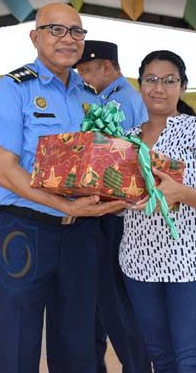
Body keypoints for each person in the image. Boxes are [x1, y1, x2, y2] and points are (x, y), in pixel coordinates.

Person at [0, 2, 127, 373]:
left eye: (76, 31)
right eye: (56, 29)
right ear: (35, 37)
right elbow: (5, 172)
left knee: (79, 341)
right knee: (18, 338)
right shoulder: (11, 90)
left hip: (82, 234)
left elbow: (100, 165)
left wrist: (125, 193)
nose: (68, 39)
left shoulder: (90, 97)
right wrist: (66, 206)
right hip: (25, 231)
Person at [119, 50, 196, 372]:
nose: (159, 88)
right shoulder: (126, 140)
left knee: (191, 363)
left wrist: (180, 192)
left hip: (191, 263)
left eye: (169, 81)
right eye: (151, 80)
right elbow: (120, 205)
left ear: (182, 86)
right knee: (162, 359)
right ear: (140, 85)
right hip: (139, 265)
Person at [75, 40, 152, 373]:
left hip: (115, 215)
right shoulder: (107, 99)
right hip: (104, 213)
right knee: (99, 304)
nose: (82, 78)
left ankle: (135, 367)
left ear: (107, 66)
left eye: (87, 70)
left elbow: (116, 161)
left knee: (116, 305)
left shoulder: (122, 101)